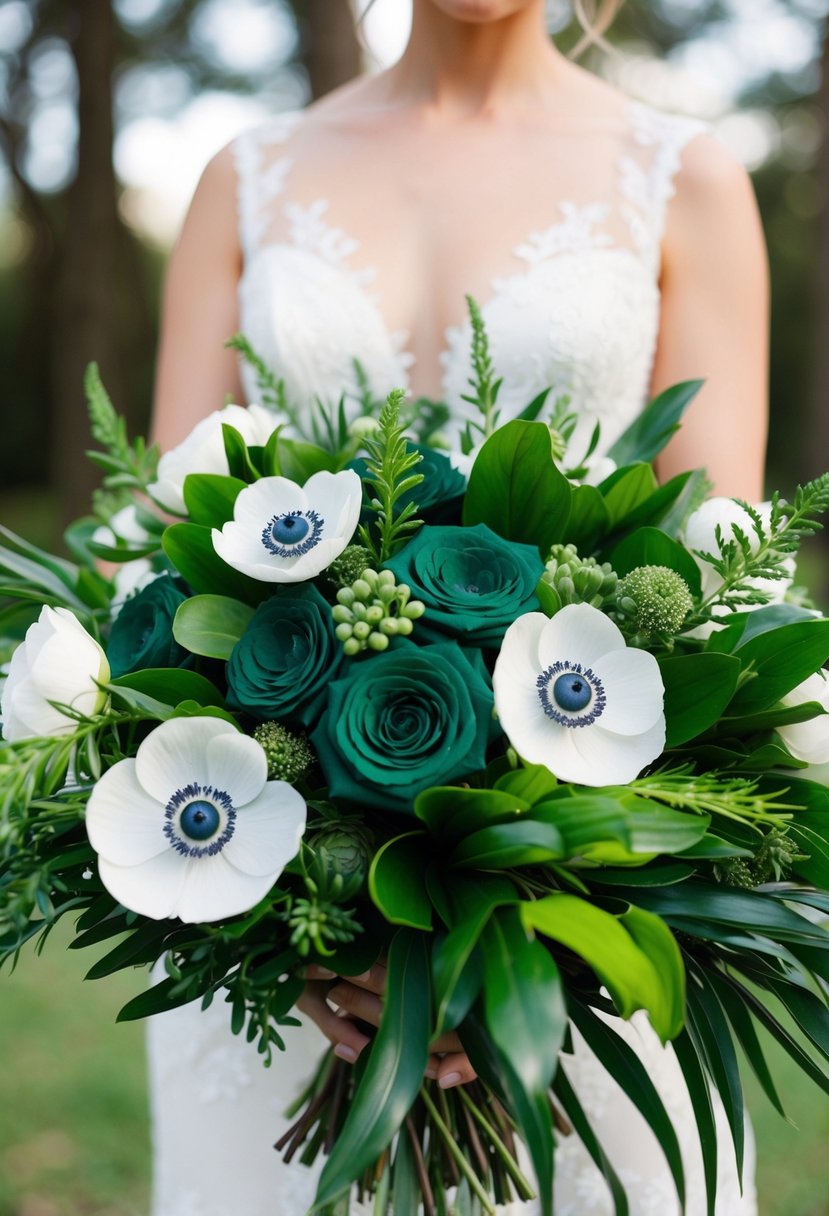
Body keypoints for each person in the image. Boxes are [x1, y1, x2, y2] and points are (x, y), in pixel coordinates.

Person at [148, 2, 768, 1212]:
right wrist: (304, 922)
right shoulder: (242, 177)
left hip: (568, 930)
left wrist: (512, 932)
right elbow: (167, 539)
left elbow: (710, 577)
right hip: (282, 927)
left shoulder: (685, 177)